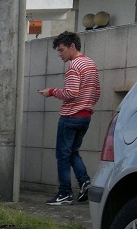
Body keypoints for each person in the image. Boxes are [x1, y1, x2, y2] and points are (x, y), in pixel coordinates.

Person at [39, 32, 100, 206]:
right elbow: (97, 92)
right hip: (85, 116)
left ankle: (64, 193)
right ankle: (85, 183)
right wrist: (86, 105)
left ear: (72, 46)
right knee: (72, 152)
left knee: (62, 155)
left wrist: (52, 92)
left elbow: (71, 92)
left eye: (61, 50)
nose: (60, 54)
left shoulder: (74, 65)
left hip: (71, 116)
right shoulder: (90, 63)